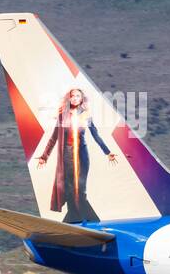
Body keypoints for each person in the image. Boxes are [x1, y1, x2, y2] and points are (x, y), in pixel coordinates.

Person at [35, 87, 118, 222]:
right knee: (69, 190)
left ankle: (88, 220)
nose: (75, 98)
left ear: (81, 99)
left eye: (78, 96)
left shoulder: (86, 115)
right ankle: (75, 220)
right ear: (69, 98)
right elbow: (54, 137)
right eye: (72, 96)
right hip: (67, 156)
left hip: (82, 155)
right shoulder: (62, 116)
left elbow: (95, 135)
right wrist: (44, 156)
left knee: (80, 189)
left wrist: (107, 152)